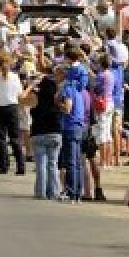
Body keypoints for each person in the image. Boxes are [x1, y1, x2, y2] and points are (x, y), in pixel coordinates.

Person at [27, 62, 64, 200]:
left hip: (38, 133)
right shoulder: (57, 101)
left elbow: (20, 99)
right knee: (53, 164)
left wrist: (30, 86)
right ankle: (53, 192)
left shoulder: (36, 99)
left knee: (41, 164)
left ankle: (40, 192)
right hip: (54, 133)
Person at [0, 52, 26, 175]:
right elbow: (20, 94)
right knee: (15, 138)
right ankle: (20, 166)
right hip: (12, 108)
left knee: (1, 139)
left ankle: (4, 166)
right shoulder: (15, 77)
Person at [59, 46, 90, 202]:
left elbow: (67, 107)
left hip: (70, 125)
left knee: (70, 161)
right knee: (77, 162)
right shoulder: (82, 92)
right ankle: (78, 191)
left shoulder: (69, 88)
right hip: (80, 124)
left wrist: (60, 105)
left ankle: (71, 191)